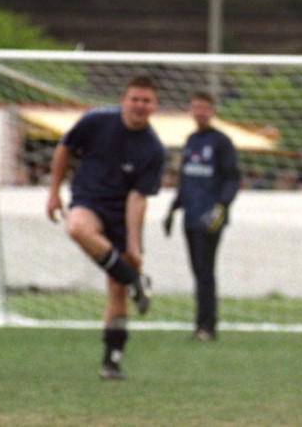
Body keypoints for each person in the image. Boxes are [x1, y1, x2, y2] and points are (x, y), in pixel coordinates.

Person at [46, 75, 165, 380]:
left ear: (154, 106)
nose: (140, 105)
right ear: (123, 100)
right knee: (76, 228)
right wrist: (53, 192)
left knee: (117, 288)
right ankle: (137, 281)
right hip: (88, 201)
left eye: (146, 100)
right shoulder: (96, 120)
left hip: (120, 214)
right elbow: (64, 148)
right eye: (135, 99)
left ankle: (112, 360)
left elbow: (138, 199)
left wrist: (134, 246)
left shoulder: (153, 149)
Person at [163, 91, 241, 341]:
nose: (200, 112)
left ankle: (207, 326)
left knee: (205, 271)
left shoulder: (221, 142)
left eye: (204, 108)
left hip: (210, 217)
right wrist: (173, 209)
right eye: (195, 107)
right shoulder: (190, 141)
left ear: (212, 111)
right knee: (197, 270)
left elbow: (232, 178)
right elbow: (186, 179)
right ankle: (201, 325)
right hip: (190, 216)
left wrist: (222, 206)